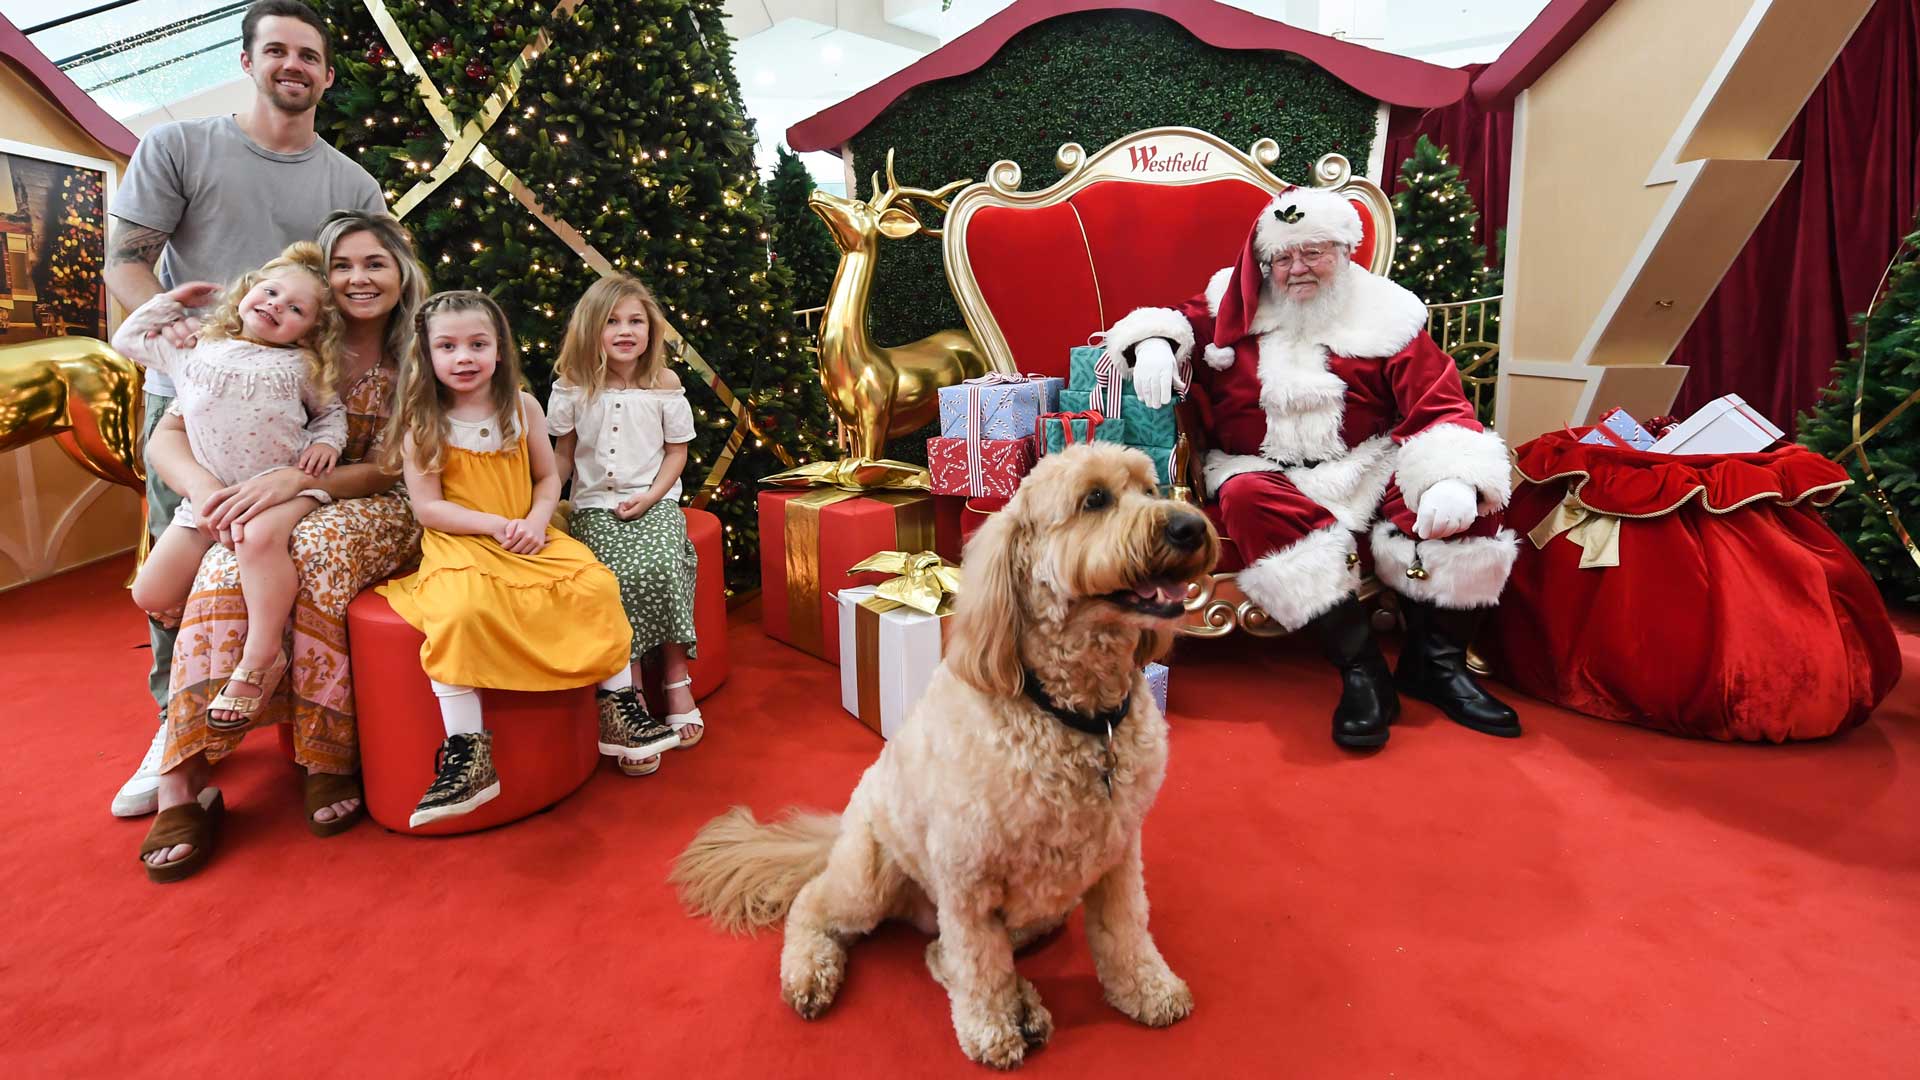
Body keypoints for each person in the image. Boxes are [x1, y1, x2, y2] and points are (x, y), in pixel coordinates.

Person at [1101, 184, 1520, 751]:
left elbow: (1441, 408)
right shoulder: (1233, 301)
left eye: (1312, 252)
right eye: (1282, 257)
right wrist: (1152, 344)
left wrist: (1451, 476)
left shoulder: (1388, 316)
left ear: (1345, 251)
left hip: (1366, 465)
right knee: (1247, 496)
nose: (1296, 269)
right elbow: (1171, 321)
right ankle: (1362, 669)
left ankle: (1436, 666)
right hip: (1263, 469)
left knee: (1468, 490)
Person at [106, 0, 386, 818]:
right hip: (191, 405)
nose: (293, 65)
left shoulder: (351, 182)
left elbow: (366, 291)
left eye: (309, 55)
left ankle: (300, 720)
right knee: (182, 573)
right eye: (277, 51)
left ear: (327, 75)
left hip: (291, 421)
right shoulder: (179, 144)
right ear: (248, 59)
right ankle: (176, 739)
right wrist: (185, 337)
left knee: (274, 563)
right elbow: (126, 263)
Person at [136, 211, 426, 882]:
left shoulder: (415, 350)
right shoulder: (255, 346)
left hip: (372, 502)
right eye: (343, 265)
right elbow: (168, 435)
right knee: (221, 561)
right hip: (248, 501)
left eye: (374, 263)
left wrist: (298, 480)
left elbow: (393, 466)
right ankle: (185, 775)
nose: (358, 278)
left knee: (316, 548)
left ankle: (326, 754)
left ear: (401, 273)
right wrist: (212, 494)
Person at [376, 291, 648, 827]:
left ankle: (618, 710)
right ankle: (467, 752)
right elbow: (429, 508)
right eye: (448, 346)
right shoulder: (421, 421)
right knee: (458, 611)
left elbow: (548, 476)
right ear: (427, 355)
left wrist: (534, 519)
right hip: (466, 540)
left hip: (526, 531)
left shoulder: (521, 407)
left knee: (594, 584)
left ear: (499, 350)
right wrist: (493, 526)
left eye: (478, 344)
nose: (464, 357)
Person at [116, 244, 345, 731]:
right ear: (247, 291)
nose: (277, 305)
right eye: (271, 290)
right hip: (211, 498)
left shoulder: (302, 367)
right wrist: (170, 302)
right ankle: (239, 601)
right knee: (150, 593)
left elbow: (330, 414)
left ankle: (262, 655)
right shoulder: (195, 346)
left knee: (257, 541)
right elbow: (128, 339)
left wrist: (326, 443)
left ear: (312, 329)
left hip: (276, 491)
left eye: (296, 308)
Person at [549, 275, 703, 775]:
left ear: (651, 330)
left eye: (636, 321)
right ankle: (627, 697)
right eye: (612, 321)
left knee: (661, 563)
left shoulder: (664, 386)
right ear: (592, 329)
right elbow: (564, 455)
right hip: (595, 506)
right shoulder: (572, 389)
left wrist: (652, 497)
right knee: (611, 579)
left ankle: (675, 678)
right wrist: (545, 506)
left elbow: (677, 454)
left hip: (652, 500)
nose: (625, 331)